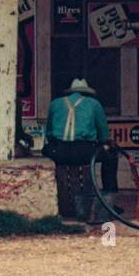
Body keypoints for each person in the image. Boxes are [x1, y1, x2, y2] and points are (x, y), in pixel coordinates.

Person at [43, 78, 118, 214]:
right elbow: (103, 135)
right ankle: (109, 199)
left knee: (45, 151)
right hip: (85, 152)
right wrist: (105, 144)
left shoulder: (55, 104)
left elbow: (48, 132)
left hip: (59, 151)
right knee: (111, 155)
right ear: (87, 93)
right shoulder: (94, 104)